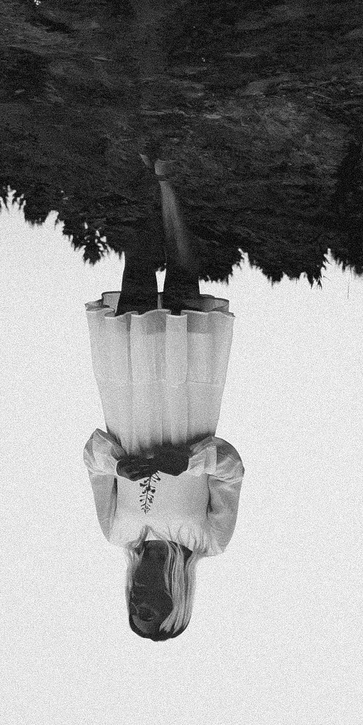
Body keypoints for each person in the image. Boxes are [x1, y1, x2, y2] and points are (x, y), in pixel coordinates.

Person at [82, 163, 244, 640]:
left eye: (133, 609)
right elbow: (232, 468)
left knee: (134, 280)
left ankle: (136, 170)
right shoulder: (209, 541)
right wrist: (187, 462)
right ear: (176, 602)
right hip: (185, 408)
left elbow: (92, 458)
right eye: (151, 611)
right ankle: (170, 181)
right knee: (180, 286)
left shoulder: (118, 534)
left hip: (130, 405)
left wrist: (116, 466)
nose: (139, 601)